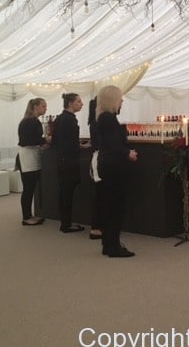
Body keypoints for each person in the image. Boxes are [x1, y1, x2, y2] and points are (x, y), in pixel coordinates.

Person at [95, 85, 138, 257]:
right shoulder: (108, 118)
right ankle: (113, 245)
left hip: (109, 165)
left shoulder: (105, 117)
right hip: (113, 167)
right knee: (116, 207)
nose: (122, 101)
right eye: (120, 98)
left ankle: (109, 243)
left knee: (110, 205)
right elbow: (113, 144)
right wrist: (128, 153)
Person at [51, 92, 89, 233]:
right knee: (67, 194)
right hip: (69, 161)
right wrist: (81, 146)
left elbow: (56, 140)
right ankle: (66, 224)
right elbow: (71, 143)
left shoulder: (59, 118)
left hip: (61, 160)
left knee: (64, 193)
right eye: (78, 101)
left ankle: (65, 222)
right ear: (70, 103)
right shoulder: (70, 120)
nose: (81, 104)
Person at [17, 98, 50, 226]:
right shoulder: (29, 121)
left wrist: (42, 142)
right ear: (35, 107)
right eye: (43, 106)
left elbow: (33, 139)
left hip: (30, 155)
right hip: (27, 157)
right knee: (28, 189)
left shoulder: (31, 120)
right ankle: (26, 217)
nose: (45, 108)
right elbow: (27, 140)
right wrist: (45, 140)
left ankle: (29, 215)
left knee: (30, 188)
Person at [87, 97, 103, 240]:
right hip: (100, 160)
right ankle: (96, 227)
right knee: (100, 195)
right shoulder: (98, 122)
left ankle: (98, 226)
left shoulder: (95, 122)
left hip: (99, 158)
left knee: (100, 194)